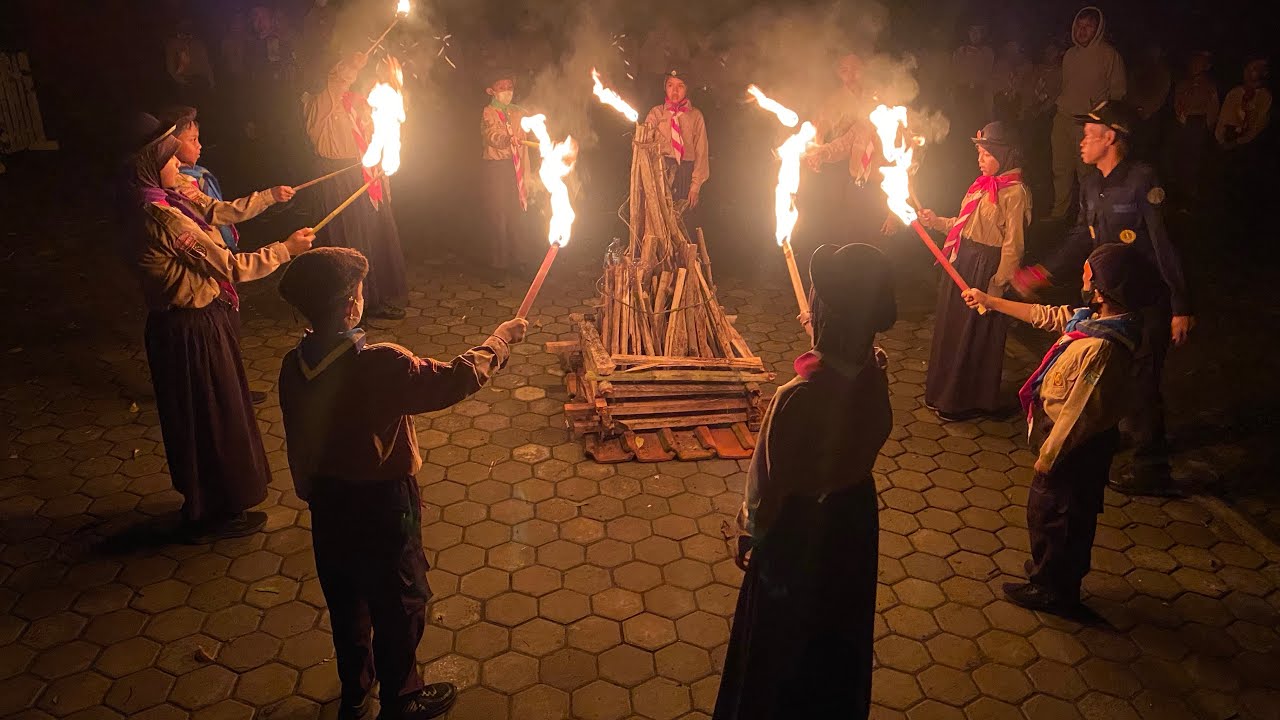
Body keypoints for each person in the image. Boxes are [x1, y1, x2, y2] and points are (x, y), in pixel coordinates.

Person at [276, 247, 528, 720]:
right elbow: (454, 379)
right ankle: (402, 697)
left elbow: (297, 440)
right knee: (401, 599)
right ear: (352, 303)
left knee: (346, 599)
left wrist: (308, 490)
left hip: (328, 507)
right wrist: (499, 341)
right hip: (384, 505)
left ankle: (355, 694)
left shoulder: (293, 366)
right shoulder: (380, 364)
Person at [715, 243, 896, 720]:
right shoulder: (875, 374)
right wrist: (827, 337)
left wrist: (750, 532)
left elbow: (767, 486)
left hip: (799, 532)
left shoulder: (795, 398)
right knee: (836, 630)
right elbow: (855, 358)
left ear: (824, 312)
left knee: (781, 643)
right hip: (853, 519)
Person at [121, 113, 314, 542]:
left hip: (190, 323)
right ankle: (214, 512)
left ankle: (211, 503)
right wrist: (287, 249)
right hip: (189, 330)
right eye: (172, 158)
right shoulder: (161, 216)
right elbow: (229, 265)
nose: (181, 166)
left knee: (211, 413)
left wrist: (269, 198)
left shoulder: (164, 193)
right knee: (210, 417)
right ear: (152, 163)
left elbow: (217, 210)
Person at [1015, 100, 1193, 496]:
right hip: (1109, 301)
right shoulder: (1092, 182)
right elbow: (1082, 235)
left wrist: (1180, 306)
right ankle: (1125, 432)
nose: (1081, 142)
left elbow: (1165, 245)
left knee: (1144, 380)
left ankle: (1152, 466)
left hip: (1147, 300)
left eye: (1088, 135)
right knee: (1115, 371)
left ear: (1110, 137)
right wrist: (1043, 272)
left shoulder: (1143, 180)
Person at [964, 244, 1149, 613]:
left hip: (1076, 446)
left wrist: (1049, 457)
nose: (1082, 277)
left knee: (1059, 516)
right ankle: (1049, 569)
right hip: (1065, 438)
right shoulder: (1092, 319)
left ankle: (1055, 589)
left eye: (1087, 274)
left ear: (1102, 288)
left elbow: (1079, 412)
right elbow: (1044, 315)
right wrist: (990, 300)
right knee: (1051, 513)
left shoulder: (1103, 347)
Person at [919, 122, 1030, 420]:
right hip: (963, 261)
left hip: (985, 269)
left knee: (974, 333)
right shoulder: (981, 185)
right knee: (952, 328)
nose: (979, 159)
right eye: (978, 152)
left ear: (1004, 155)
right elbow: (964, 224)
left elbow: (1013, 246)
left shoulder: (1015, 193)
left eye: (985, 153)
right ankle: (942, 392)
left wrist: (996, 287)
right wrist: (936, 221)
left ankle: (964, 401)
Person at [304, 51, 409, 320]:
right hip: (338, 177)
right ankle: (353, 302)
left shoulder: (357, 101)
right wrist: (352, 62)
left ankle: (378, 295)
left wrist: (392, 81)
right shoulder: (320, 103)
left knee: (374, 235)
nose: (351, 77)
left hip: (363, 171)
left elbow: (383, 122)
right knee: (350, 239)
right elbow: (336, 82)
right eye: (342, 72)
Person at [1048, 7, 1125, 222]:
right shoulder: (1070, 55)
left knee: (1087, 173)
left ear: (1098, 29)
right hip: (1063, 118)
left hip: (1088, 123)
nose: (1082, 31)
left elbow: (1119, 91)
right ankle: (1059, 212)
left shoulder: (1109, 56)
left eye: (1088, 26)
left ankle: (1088, 217)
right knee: (1060, 168)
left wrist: (1102, 118)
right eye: (1079, 26)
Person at [480, 71, 531, 281]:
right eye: (502, 88)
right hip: (497, 168)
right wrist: (506, 140)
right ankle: (498, 266)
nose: (507, 92)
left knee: (516, 212)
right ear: (492, 91)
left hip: (516, 167)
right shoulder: (488, 112)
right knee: (498, 214)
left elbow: (530, 132)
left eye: (510, 88)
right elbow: (491, 135)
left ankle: (519, 260)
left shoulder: (519, 112)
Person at [645, 70, 710, 212]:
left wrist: (695, 186)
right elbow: (644, 143)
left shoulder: (695, 116)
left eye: (680, 86)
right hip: (661, 171)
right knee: (660, 220)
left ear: (687, 88)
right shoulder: (656, 113)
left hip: (686, 174)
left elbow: (701, 151)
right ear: (665, 88)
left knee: (683, 220)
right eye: (670, 85)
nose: (674, 91)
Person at [1169, 51, 1220, 209]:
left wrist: (1208, 126)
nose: (1195, 66)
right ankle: (1178, 194)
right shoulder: (1183, 84)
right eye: (1194, 62)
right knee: (1179, 159)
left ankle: (1191, 196)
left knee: (1194, 161)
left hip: (1198, 124)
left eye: (1200, 63)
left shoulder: (1209, 86)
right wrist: (1180, 117)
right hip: (1183, 123)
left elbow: (1213, 107)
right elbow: (1178, 101)